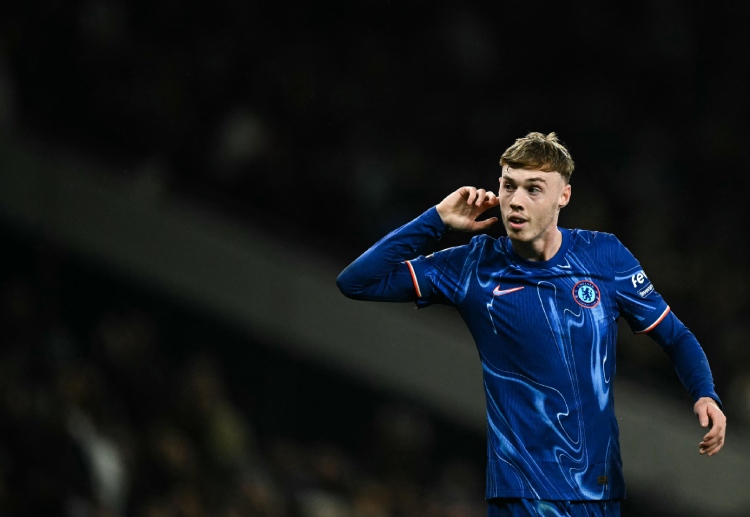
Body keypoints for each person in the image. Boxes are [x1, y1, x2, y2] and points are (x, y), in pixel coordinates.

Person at [336, 132, 726, 517]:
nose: (516, 201)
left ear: (563, 196)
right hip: (520, 492)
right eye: (509, 186)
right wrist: (436, 219)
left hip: (598, 489)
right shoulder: (472, 266)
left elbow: (675, 336)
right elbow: (357, 281)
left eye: (534, 189)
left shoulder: (605, 256)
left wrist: (704, 393)